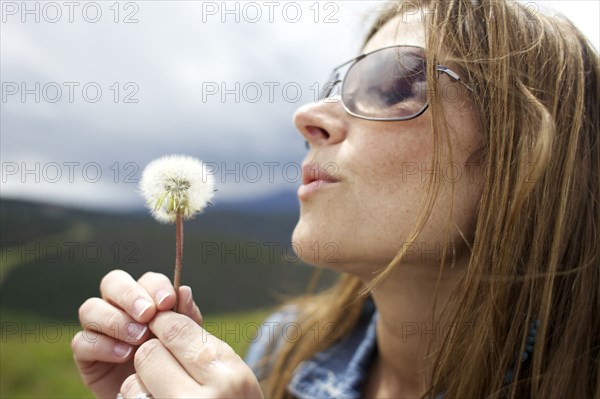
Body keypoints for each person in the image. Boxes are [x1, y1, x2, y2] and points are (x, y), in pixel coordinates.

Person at [71, 0, 599, 398]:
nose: (308, 115)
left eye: (396, 84)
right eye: (338, 83)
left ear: (530, 153)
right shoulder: (285, 346)